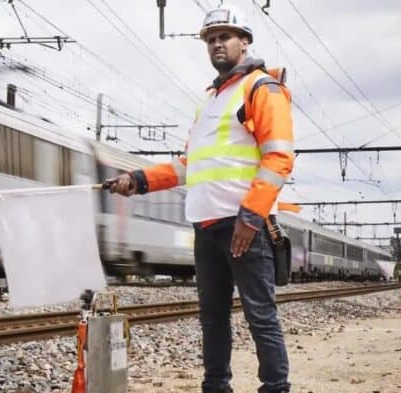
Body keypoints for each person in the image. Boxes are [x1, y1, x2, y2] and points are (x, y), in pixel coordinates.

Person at [106, 5, 294, 393]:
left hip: (244, 226)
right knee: (212, 317)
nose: (216, 44)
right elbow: (190, 165)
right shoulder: (209, 99)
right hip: (206, 225)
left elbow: (278, 157)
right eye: (210, 39)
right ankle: (215, 387)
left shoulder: (261, 88)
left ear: (245, 41)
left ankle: (275, 388)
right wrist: (138, 179)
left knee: (260, 315)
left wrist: (251, 216)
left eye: (224, 36)